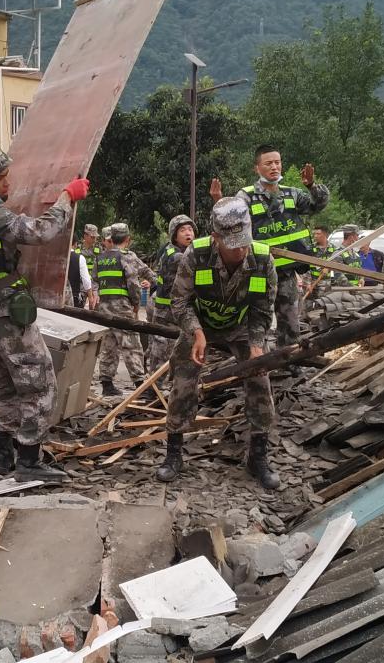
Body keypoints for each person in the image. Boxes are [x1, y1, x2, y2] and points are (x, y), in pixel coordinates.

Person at [0, 141, 89, 482]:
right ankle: (28, 461)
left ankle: (4, 459)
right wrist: (66, 197)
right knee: (41, 386)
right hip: (10, 314)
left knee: (7, 387)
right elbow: (40, 232)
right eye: (1, 178)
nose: (8, 183)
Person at [156, 197, 280, 490]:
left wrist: (257, 344)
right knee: (182, 380)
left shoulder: (263, 258)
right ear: (215, 238)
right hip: (200, 324)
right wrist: (196, 333)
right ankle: (173, 453)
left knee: (260, 380)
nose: (240, 250)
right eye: (232, 245)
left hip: (242, 326)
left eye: (244, 242)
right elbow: (180, 301)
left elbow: (263, 309)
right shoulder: (196, 254)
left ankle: (258, 456)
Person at [210, 145, 329, 347]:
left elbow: (317, 206)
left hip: (287, 272)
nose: (274, 167)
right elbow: (230, 222)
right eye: (269, 163)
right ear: (257, 168)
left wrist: (311, 186)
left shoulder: (291, 194)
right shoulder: (246, 196)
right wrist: (219, 201)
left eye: (277, 162)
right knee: (257, 318)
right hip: (259, 271)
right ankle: (257, 358)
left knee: (290, 322)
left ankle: (289, 358)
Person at [94, 223, 154, 397]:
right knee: (131, 344)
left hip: (104, 308)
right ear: (128, 239)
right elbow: (133, 283)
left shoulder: (100, 258)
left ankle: (107, 384)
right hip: (122, 308)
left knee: (109, 345)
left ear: (111, 238)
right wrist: (136, 302)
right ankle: (140, 385)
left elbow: (95, 280)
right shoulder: (128, 256)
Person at [147, 214, 196, 372]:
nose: (188, 233)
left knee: (170, 353)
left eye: (190, 229)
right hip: (166, 314)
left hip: (174, 312)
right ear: (175, 235)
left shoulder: (178, 251)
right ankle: (155, 385)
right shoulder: (176, 256)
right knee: (163, 356)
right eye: (183, 230)